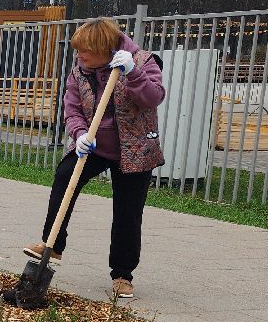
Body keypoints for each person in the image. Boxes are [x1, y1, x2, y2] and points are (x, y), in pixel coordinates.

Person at [20, 17, 165, 300]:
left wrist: (133, 72)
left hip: (134, 149)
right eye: (77, 50)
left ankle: (122, 275)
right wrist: (80, 133)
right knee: (65, 177)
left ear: (104, 49)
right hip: (95, 145)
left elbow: (153, 97)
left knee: (127, 212)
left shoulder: (143, 61)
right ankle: (53, 244)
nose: (79, 56)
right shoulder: (80, 71)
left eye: (84, 50)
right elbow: (71, 108)